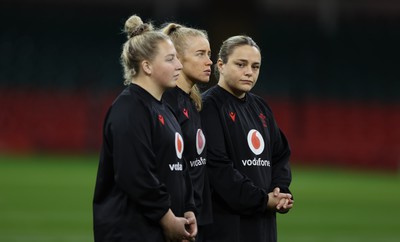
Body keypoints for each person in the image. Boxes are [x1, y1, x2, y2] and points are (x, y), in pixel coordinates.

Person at [93, 14, 197, 242]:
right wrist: (167, 217)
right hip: (131, 232)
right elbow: (135, 174)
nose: (179, 65)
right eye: (170, 59)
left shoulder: (164, 109)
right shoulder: (129, 108)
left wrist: (188, 207)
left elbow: (179, 167)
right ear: (147, 66)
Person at [200, 35, 294, 242]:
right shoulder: (208, 107)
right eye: (241, 64)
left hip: (263, 227)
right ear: (221, 65)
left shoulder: (260, 107)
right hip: (226, 228)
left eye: (255, 66)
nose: (249, 72)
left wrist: (280, 191)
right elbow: (218, 169)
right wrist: (263, 200)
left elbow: (280, 156)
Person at [161, 23, 213, 242]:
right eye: (200, 54)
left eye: (209, 54)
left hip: (194, 214)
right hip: (177, 218)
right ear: (178, 59)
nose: (209, 61)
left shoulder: (191, 101)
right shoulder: (167, 102)